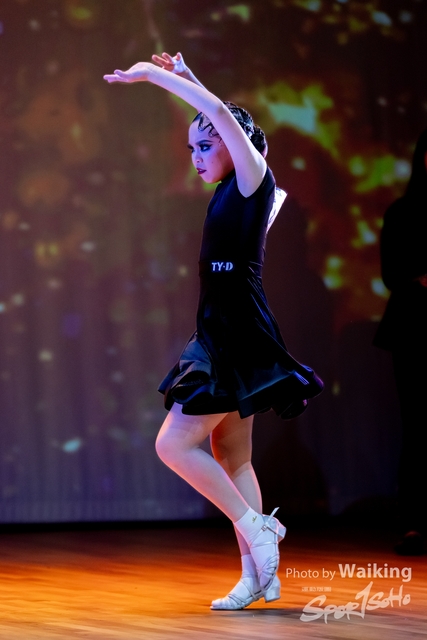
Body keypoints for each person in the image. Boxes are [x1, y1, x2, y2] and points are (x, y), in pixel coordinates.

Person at [104, 52, 323, 608]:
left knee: (172, 444)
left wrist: (157, 77)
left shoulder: (253, 180)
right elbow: (221, 117)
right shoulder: (230, 186)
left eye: (206, 146)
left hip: (235, 330)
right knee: (234, 457)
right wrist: (190, 78)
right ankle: (257, 576)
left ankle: (258, 529)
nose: (197, 158)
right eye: (192, 149)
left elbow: (223, 117)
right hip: (221, 325)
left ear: (235, 145)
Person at [374, 129, 427, 555]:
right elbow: (391, 274)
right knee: (418, 426)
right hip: (415, 329)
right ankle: (413, 523)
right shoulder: (403, 212)